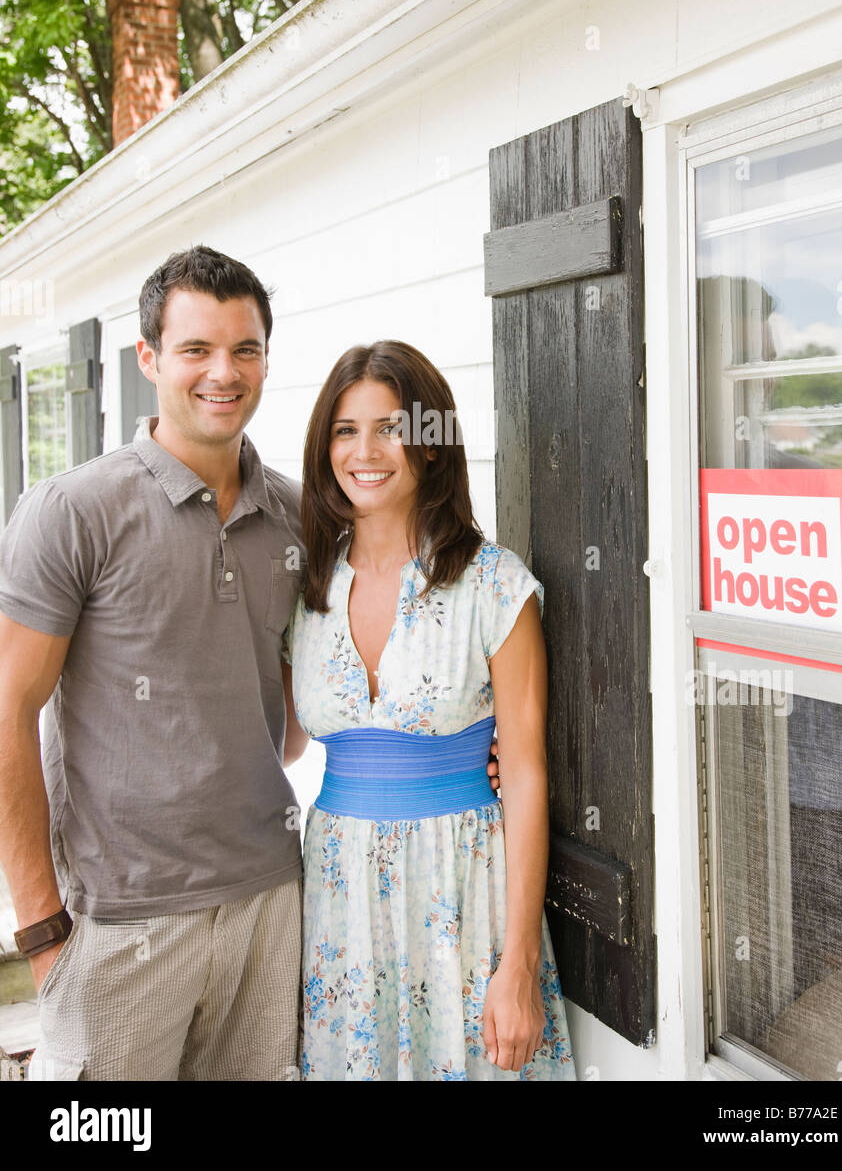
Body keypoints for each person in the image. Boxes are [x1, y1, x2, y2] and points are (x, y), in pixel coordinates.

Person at [0, 246, 309, 1080]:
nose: (224, 372)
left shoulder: (294, 517)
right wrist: (41, 932)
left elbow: (303, 710)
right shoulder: (72, 512)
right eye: (196, 349)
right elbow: (7, 714)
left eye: (245, 349)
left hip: (269, 903)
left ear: (267, 359)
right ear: (148, 359)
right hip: (118, 924)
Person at [283, 340, 576, 1080]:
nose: (365, 450)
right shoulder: (307, 589)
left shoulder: (493, 584)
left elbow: (530, 776)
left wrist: (517, 964)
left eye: (391, 427)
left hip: (465, 894)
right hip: (340, 901)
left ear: (433, 446)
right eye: (346, 430)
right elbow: (283, 741)